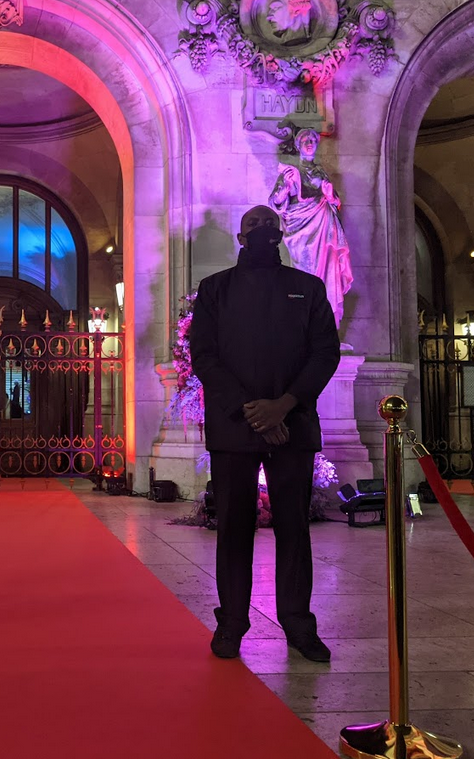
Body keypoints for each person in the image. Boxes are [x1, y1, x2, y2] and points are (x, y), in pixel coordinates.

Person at [190, 205, 340, 662]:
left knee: (294, 529)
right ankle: (232, 623)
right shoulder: (214, 289)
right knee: (234, 529)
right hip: (236, 427)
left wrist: (284, 406)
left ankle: (298, 624)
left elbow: (324, 353)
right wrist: (255, 412)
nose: (262, 229)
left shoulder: (308, 288)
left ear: (281, 232)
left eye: (269, 223)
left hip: (292, 425)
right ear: (241, 237)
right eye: (253, 224)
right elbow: (205, 356)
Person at [269, 128, 353, 327]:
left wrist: (329, 192)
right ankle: (303, 321)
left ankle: (324, 320)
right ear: (298, 146)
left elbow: (335, 203)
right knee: (304, 275)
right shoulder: (291, 172)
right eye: (305, 140)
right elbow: (275, 202)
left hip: (324, 231)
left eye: (313, 140)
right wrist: (285, 189)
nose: (309, 143)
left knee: (327, 276)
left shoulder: (320, 171)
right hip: (300, 233)